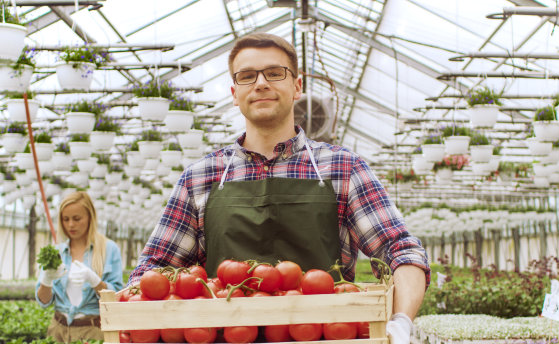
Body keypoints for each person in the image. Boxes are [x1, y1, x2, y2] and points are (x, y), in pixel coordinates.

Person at [129, 33, 429, 343]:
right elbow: (154, 269)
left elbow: (402, 250)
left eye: (275, 73)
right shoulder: (200, 176)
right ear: (234, 93)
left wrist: (400, 321)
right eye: (247, 76)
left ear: (297, 86)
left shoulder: (343, 168)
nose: (260, 83)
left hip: (325, 337)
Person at [36, 191, 123, 343]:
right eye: (65, 219)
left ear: (90, 217)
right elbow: (43, 301)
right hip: (58, 331)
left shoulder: (109, 249)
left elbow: (117, 297)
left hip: (92, 332)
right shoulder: (56, 252)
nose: (70, 224)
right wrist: (46, 280)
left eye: (77, 219)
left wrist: (95, 281)